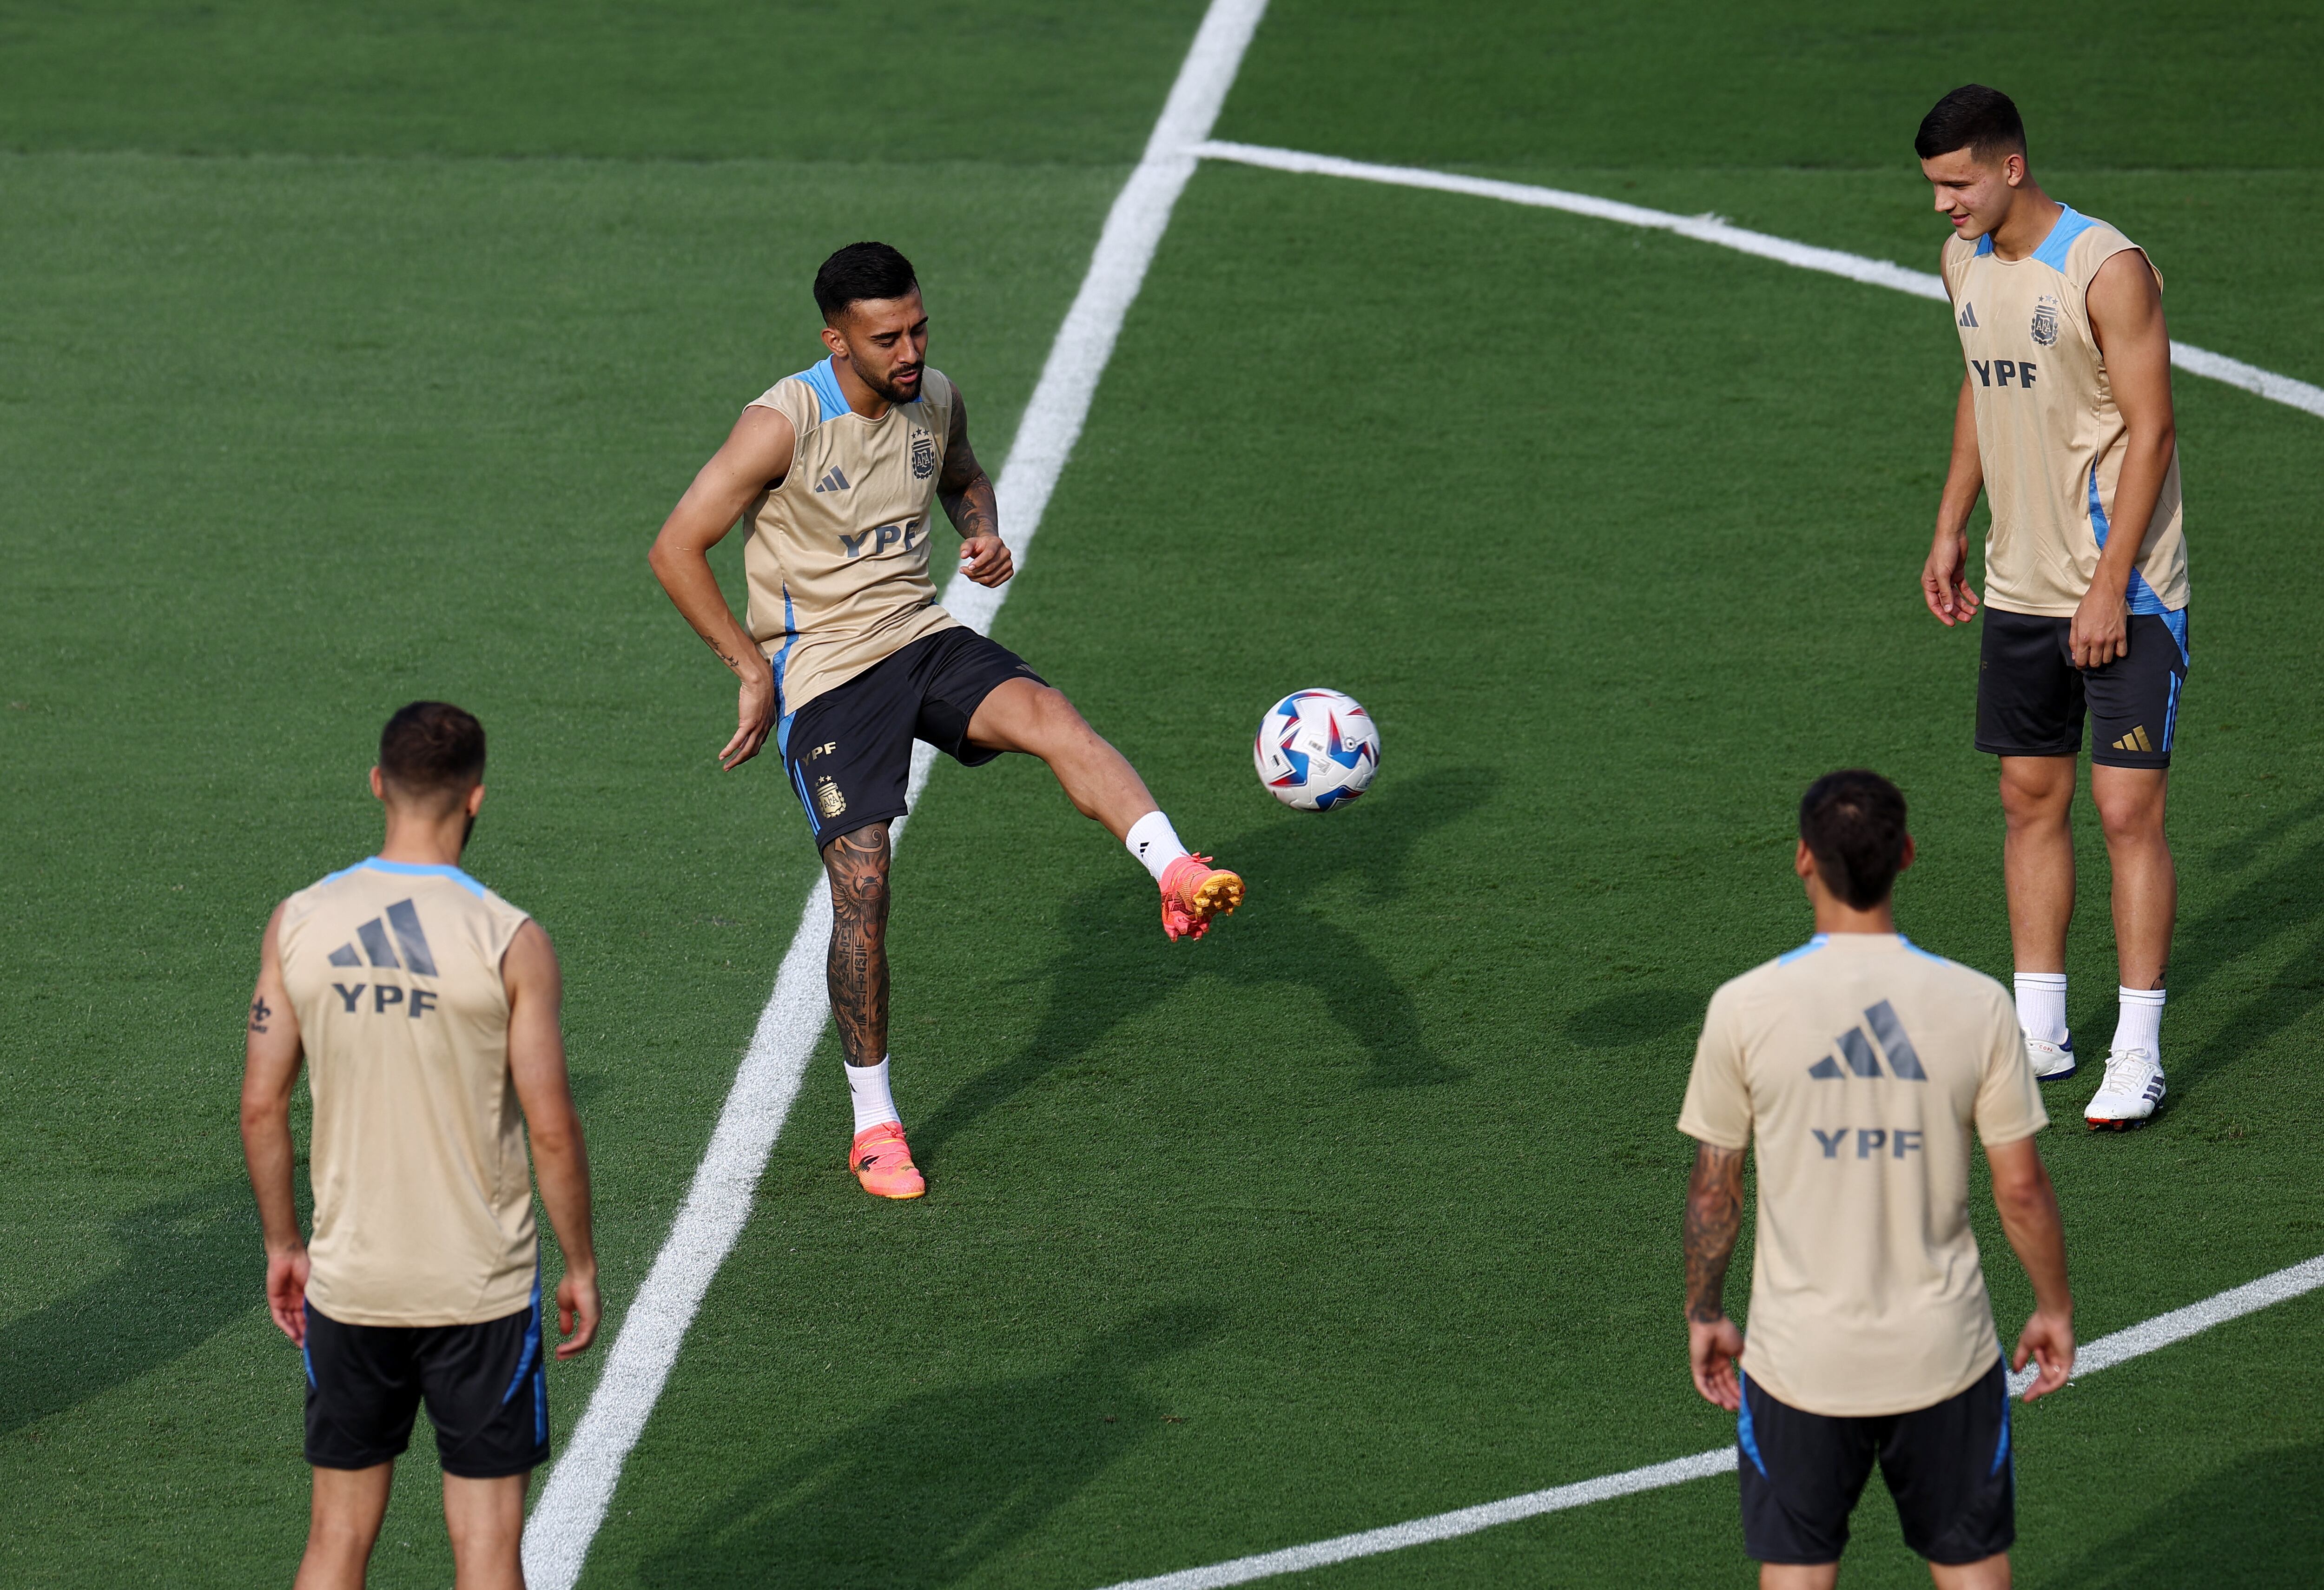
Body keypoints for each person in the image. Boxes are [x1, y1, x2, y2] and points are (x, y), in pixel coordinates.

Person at [647, 240, 1244, 1202]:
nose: (911, 349)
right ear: (836, 341)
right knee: (865, 877)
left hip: (921, 633)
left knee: (1052, 715)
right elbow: (676, 545)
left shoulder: (936, 397)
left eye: (919, 326)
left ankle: (1176, 869)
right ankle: (873, 1125)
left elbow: (964, 474)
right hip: (829, 674)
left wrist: (981, 530)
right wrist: (749, 668)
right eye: (888, 337)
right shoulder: (782, 423)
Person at [1680, 771, 2074, 1590]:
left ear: (1801, 860)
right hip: (1945, 1354)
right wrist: (2053, 1307)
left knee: (1797, 1567)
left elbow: (1716, 1192)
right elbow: (2023, 1189)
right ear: (1907, 855)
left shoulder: (1745, 1007)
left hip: (1799, 1360)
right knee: (1970, 1564)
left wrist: (1706, 1313)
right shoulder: (1977, 1004)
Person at [240, 702, 600, 1590]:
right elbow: (551, 1125)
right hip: (477, 1285)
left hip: (352, 1279)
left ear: (377, 786)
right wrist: (581, 1262)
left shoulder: (298, 921)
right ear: (476, 799)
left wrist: (288, 1244)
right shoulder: (512, 940)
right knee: (484, 1549)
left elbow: (261, 1105)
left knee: (335, 1541)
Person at [1914, 84, 2189, 1129]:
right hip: (2021, 586)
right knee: (2029, 802)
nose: (1943, 206)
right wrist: (1949, 525)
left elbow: (2153, 431)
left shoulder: (2105, 269)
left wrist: (2110, 584)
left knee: (2126, 813)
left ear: (2009, 167)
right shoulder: (1963, 263)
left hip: (2126, 590)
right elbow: (1984, 388)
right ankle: (2038, 1033)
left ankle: (2138, 1047)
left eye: (1957, 184)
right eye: (1935, 188)